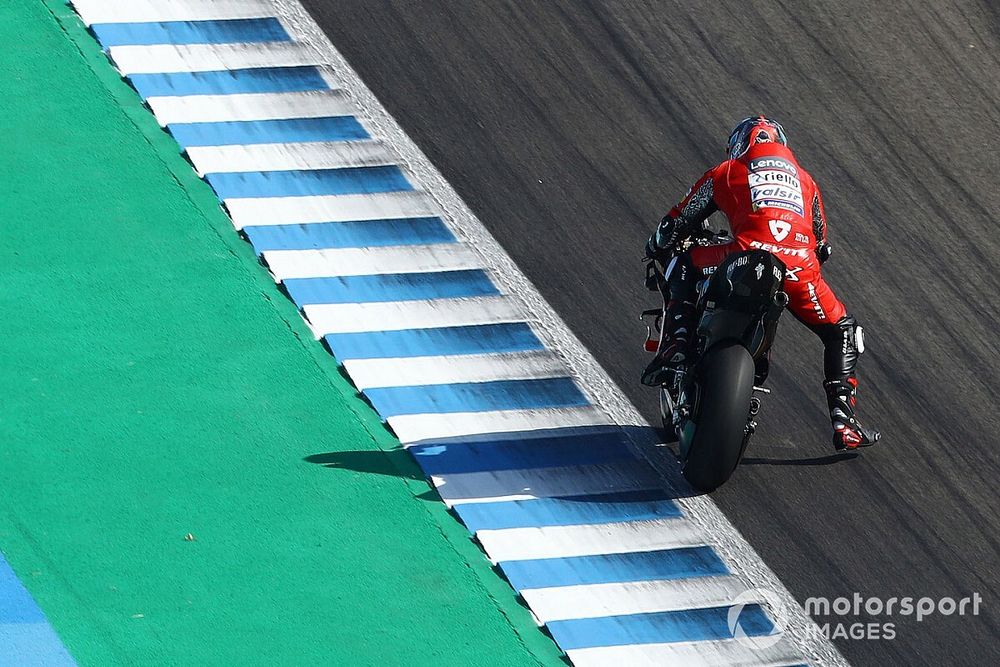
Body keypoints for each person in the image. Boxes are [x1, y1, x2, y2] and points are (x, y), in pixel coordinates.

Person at [642, 116, 880, 451]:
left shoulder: (726, 170)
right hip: (797, 269)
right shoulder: (807, 181)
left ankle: (676, 344)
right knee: (843, 329)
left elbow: (676, 223)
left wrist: (655, 245)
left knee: (683, 262)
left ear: (739, 146)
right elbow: (822, 244)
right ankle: (844, 422)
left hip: (742, 255)